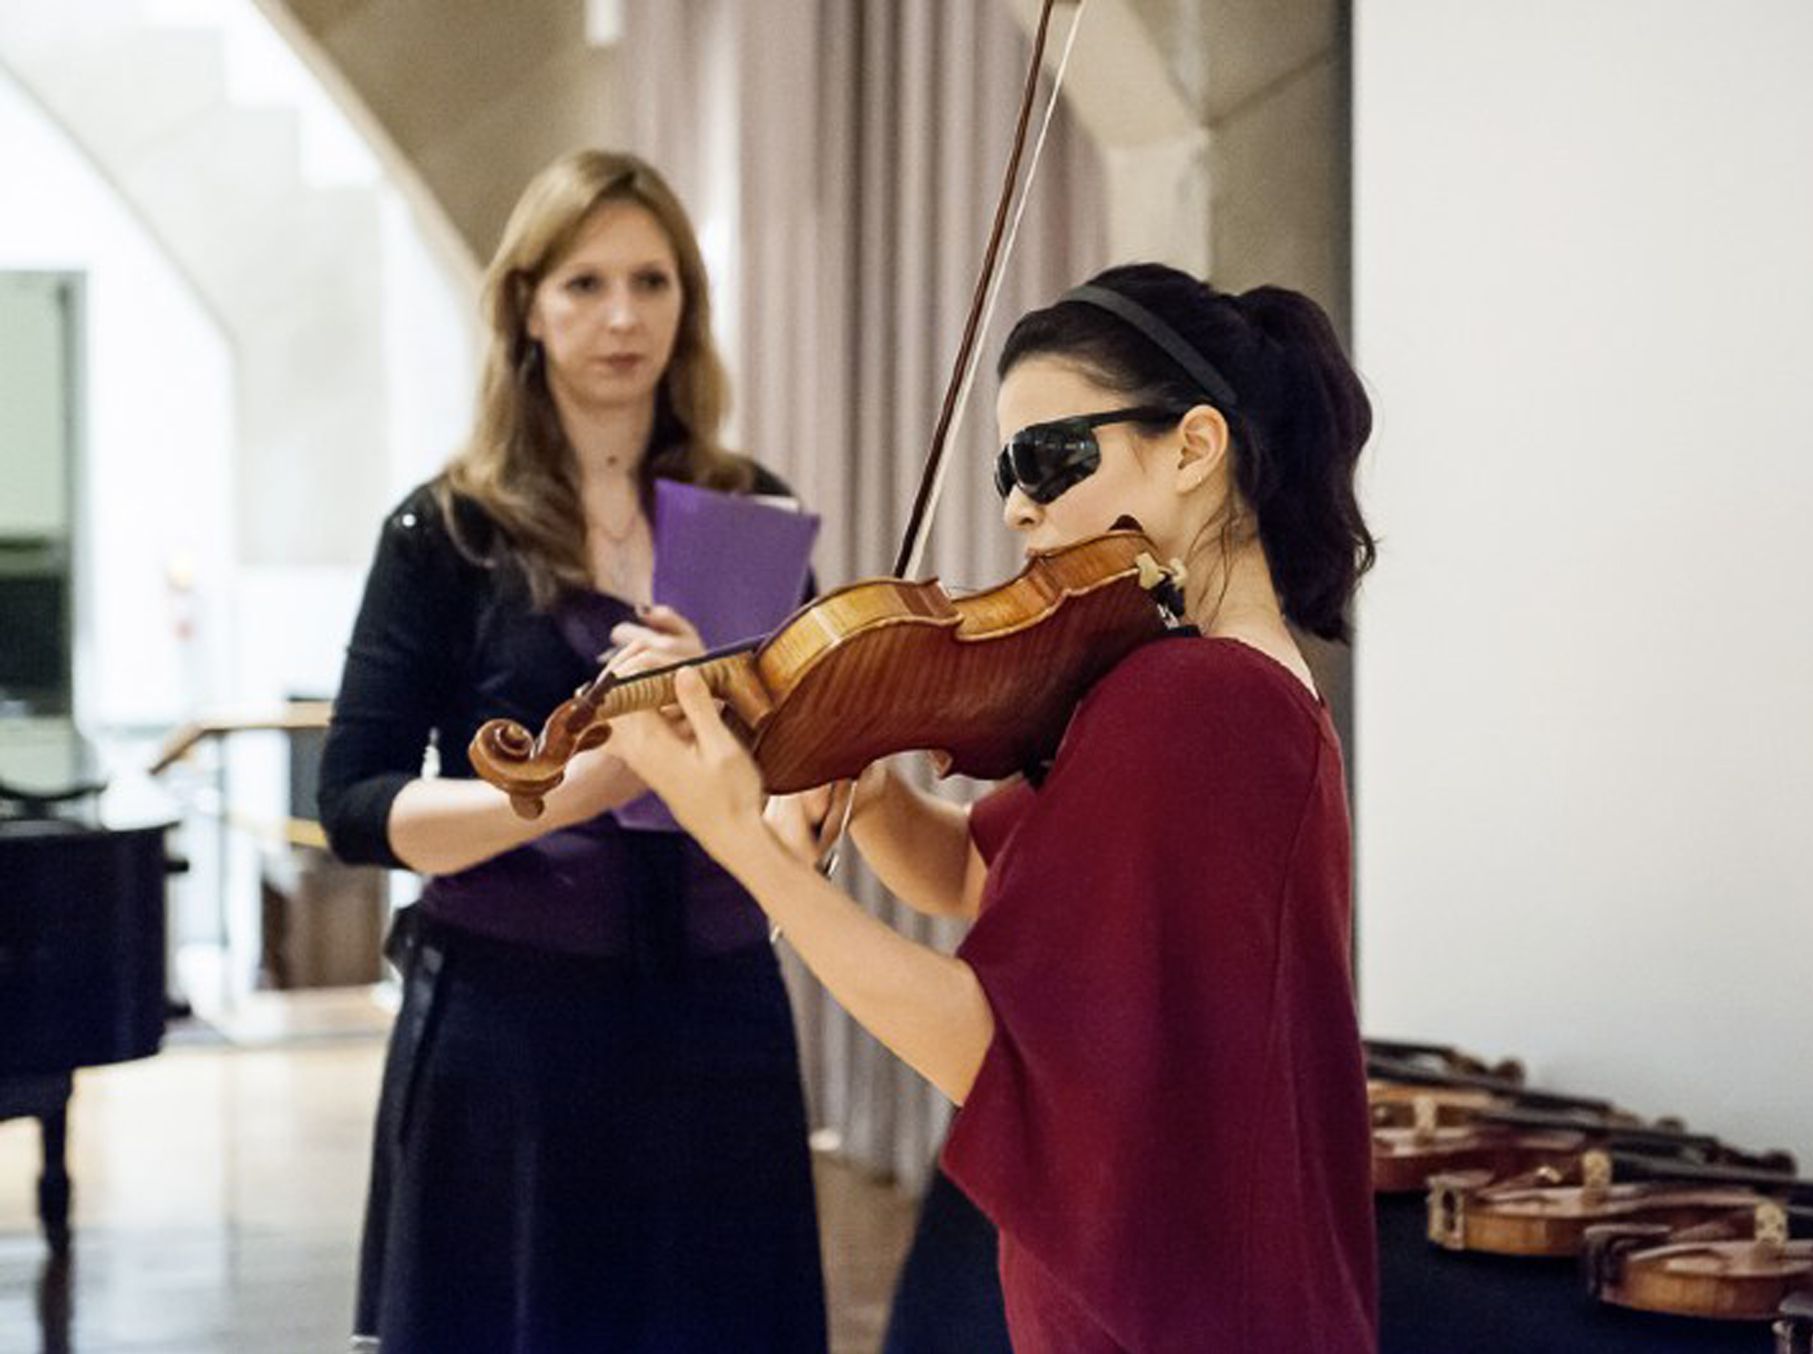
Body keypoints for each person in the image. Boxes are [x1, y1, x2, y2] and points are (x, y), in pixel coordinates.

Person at [605, 262, 1380, 1351]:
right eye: (1005, 468)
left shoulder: (1196, 698)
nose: (1019, 502)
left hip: (1178, 1308)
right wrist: (865, 774)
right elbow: (974, 875)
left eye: (1050, 457)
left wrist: (745, 842)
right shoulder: (1199, 680)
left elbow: (1000, 1047)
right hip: (1200, 1285)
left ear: (1197, 448)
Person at [318, 149, 826, 1353]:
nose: (622, 317)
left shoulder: (745, 512)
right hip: (511, 1028)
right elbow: (354, 799)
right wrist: (573, 789)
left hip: (717, 1017)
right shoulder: (449, 529)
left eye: (652, 283)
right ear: (527, 308)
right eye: (585, 283)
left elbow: (794, 787)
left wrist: (759, 753)